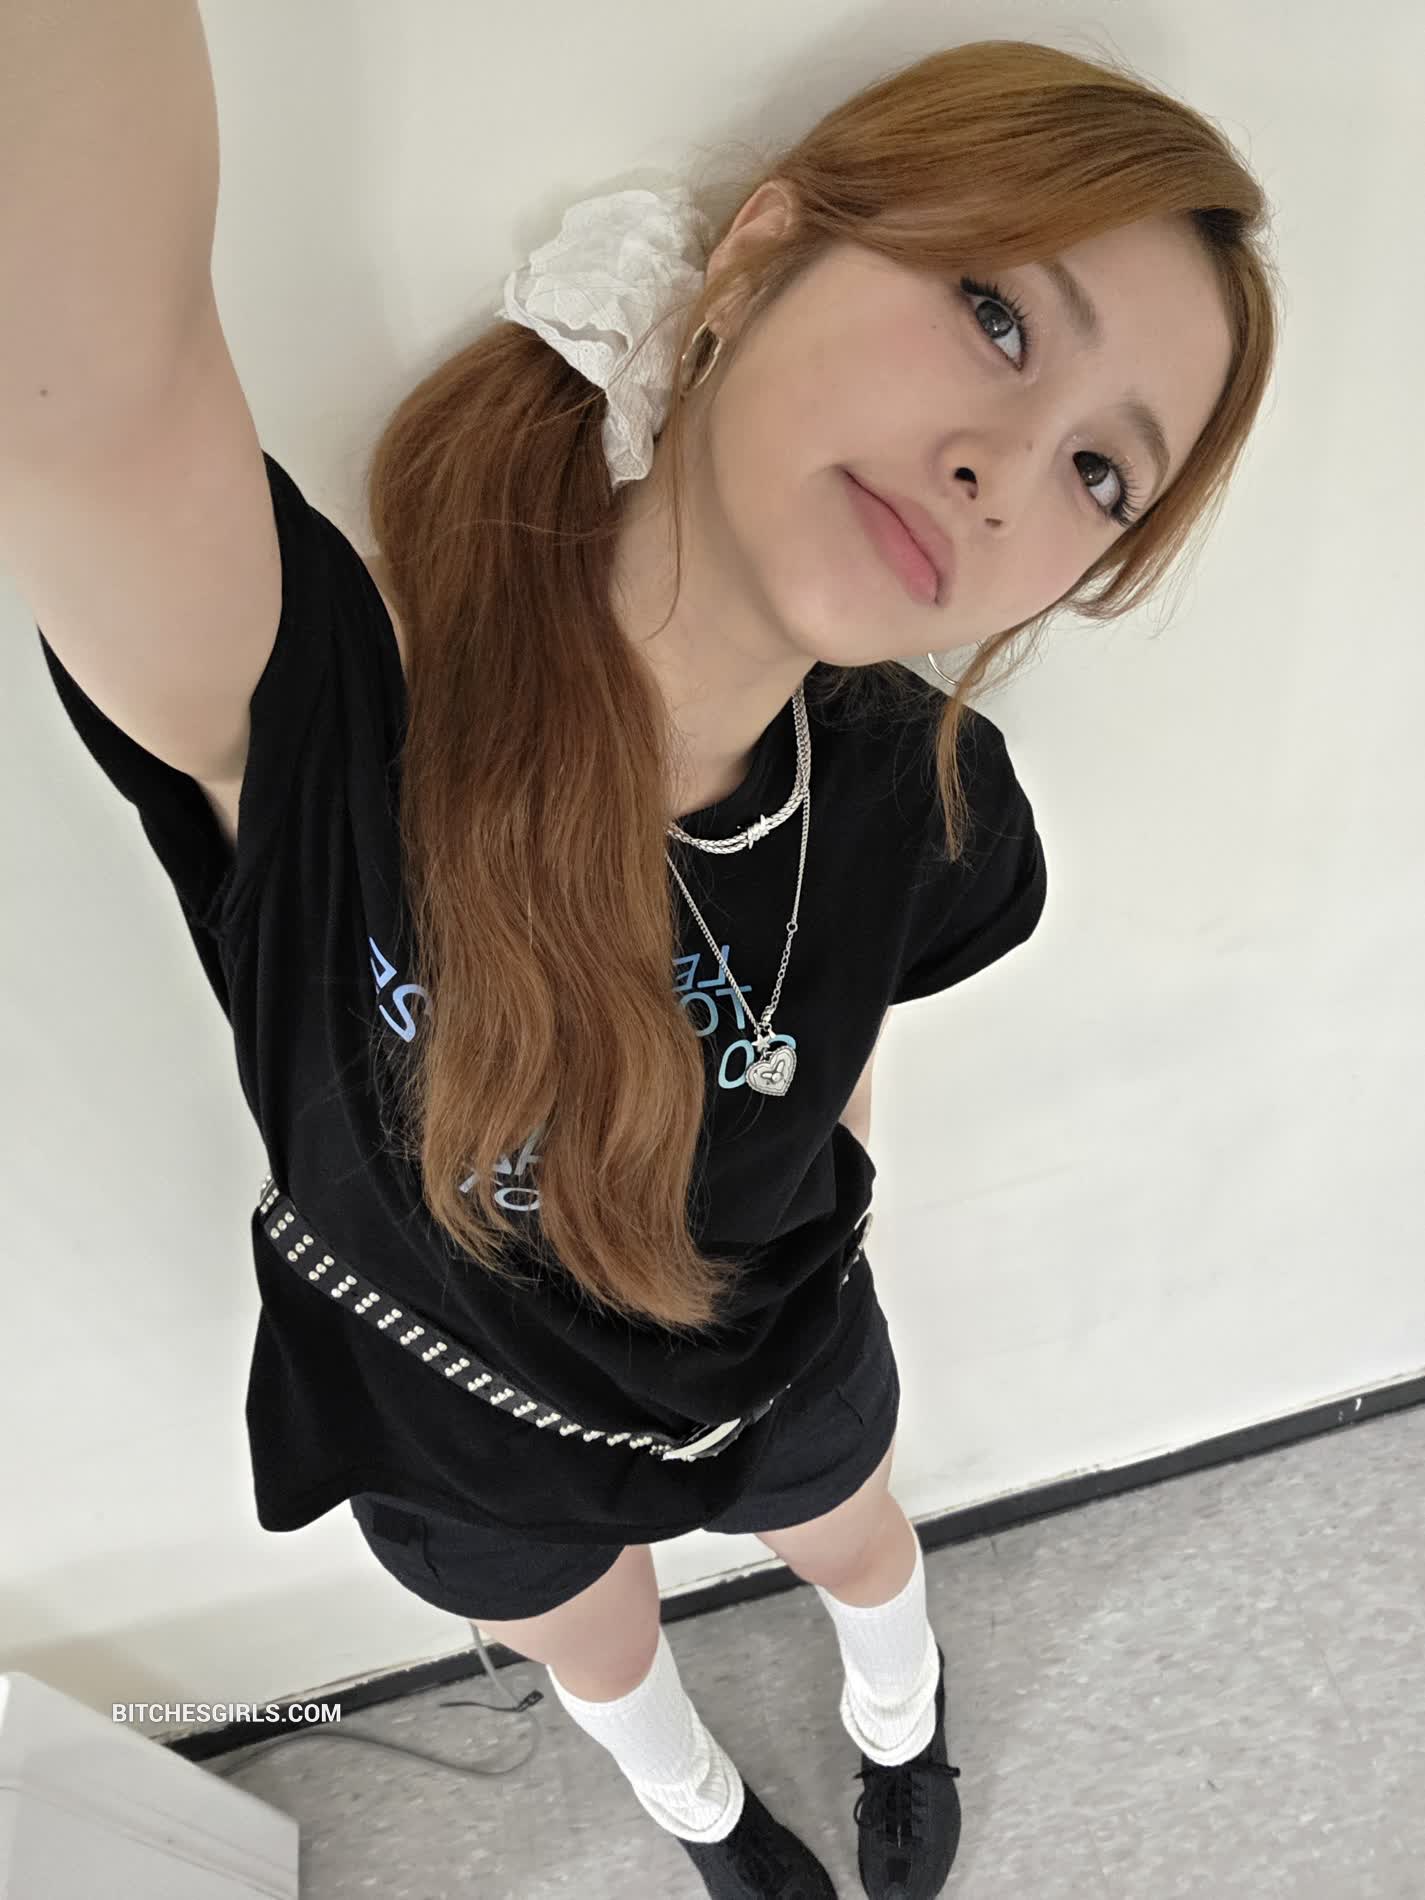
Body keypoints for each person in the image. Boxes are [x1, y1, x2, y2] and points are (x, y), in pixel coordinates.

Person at [1, 10, 1280, 1896]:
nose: (1006, 468)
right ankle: (707, 1822)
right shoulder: (333, 716)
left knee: (860, 1548)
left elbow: (845, 1014)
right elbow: (81, 375)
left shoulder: (922, 792)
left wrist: (812, 1162)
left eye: (1102, 474)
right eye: (996, 316)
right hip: (456, 1424)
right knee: (596, 1652)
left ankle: (899, 1723)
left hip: (776, 1356)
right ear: (755, 258)